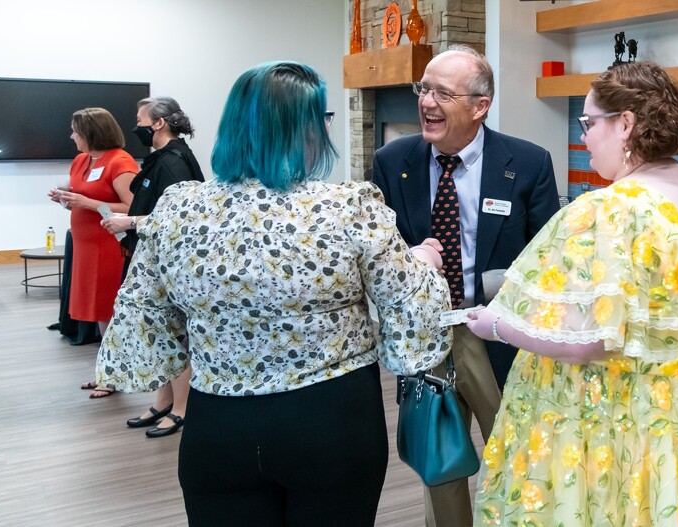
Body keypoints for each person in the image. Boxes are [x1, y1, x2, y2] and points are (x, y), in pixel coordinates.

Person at [95, 61, 453, 526]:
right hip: (332, 419)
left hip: (218, 424)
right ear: (305, 130)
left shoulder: (180, 207)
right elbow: (414, 320)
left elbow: (144, 318)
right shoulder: (347, 206)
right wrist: (423, 263)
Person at [466, 61, 678, 526]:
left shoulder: (610, 209)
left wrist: (497, 326)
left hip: (617, 413)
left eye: (589, 123)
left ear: (625, 123)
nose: (584, 136)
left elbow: (592, 340)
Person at [372, 45, 560, 527]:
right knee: (440, 472)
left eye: (443, 93)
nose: (426, 102)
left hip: (498, 337)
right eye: (424, 89)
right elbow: (378, 259)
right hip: (429, 340)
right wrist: (411, 261)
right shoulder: (392, 161)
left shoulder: (528, 162)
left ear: (480, 106)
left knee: (518, 461)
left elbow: (547, 261)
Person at [101, 97, 204, 437]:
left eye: (140, 119)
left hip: (168, 262)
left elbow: (181, 219)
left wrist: (129, 222)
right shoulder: (161, 158)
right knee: (160, 332)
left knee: (171, 332)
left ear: (158, 123)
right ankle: (164, 399)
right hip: (153, 257)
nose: (136, 126)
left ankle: (182, 407)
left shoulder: (174, 163)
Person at [48, 107, 138, 398]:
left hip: (109, 244)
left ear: (91, 133)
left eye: (75, 131)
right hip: (86, 246)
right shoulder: (81, 160)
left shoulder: (120, 162)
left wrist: (86, 202)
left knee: (109, 311)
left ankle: (113, 375)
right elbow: (85, 197)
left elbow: (133, 207)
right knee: (100, 311)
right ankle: (106, 371)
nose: (71, 136)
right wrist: (66, 199)